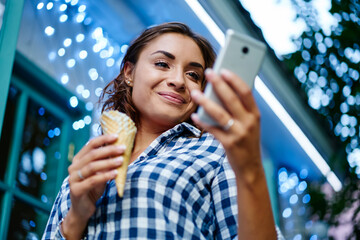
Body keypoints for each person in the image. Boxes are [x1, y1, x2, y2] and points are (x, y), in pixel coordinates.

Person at [43, 22, 282, 239]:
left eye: (193, 75)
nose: (178, 80)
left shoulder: (216, 151)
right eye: (162, 64)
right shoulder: (85, 168)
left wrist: (250, 169)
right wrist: (76, 218)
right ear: (129, 73)